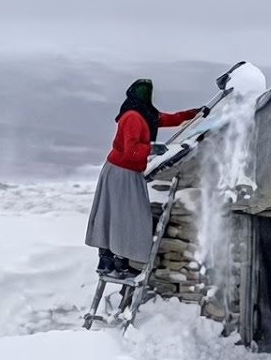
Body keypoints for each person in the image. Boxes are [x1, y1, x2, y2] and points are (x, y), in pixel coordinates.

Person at [85, 79, 204, 277]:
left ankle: (115, 260)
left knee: (120, 215)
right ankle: (115, 262)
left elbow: (170, 119)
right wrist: (151, 148)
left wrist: (194, 113)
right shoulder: (132, 117)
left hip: (126, 172)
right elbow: (130, 150)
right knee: (123, 215)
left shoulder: (145, 115)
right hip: (121, 173)